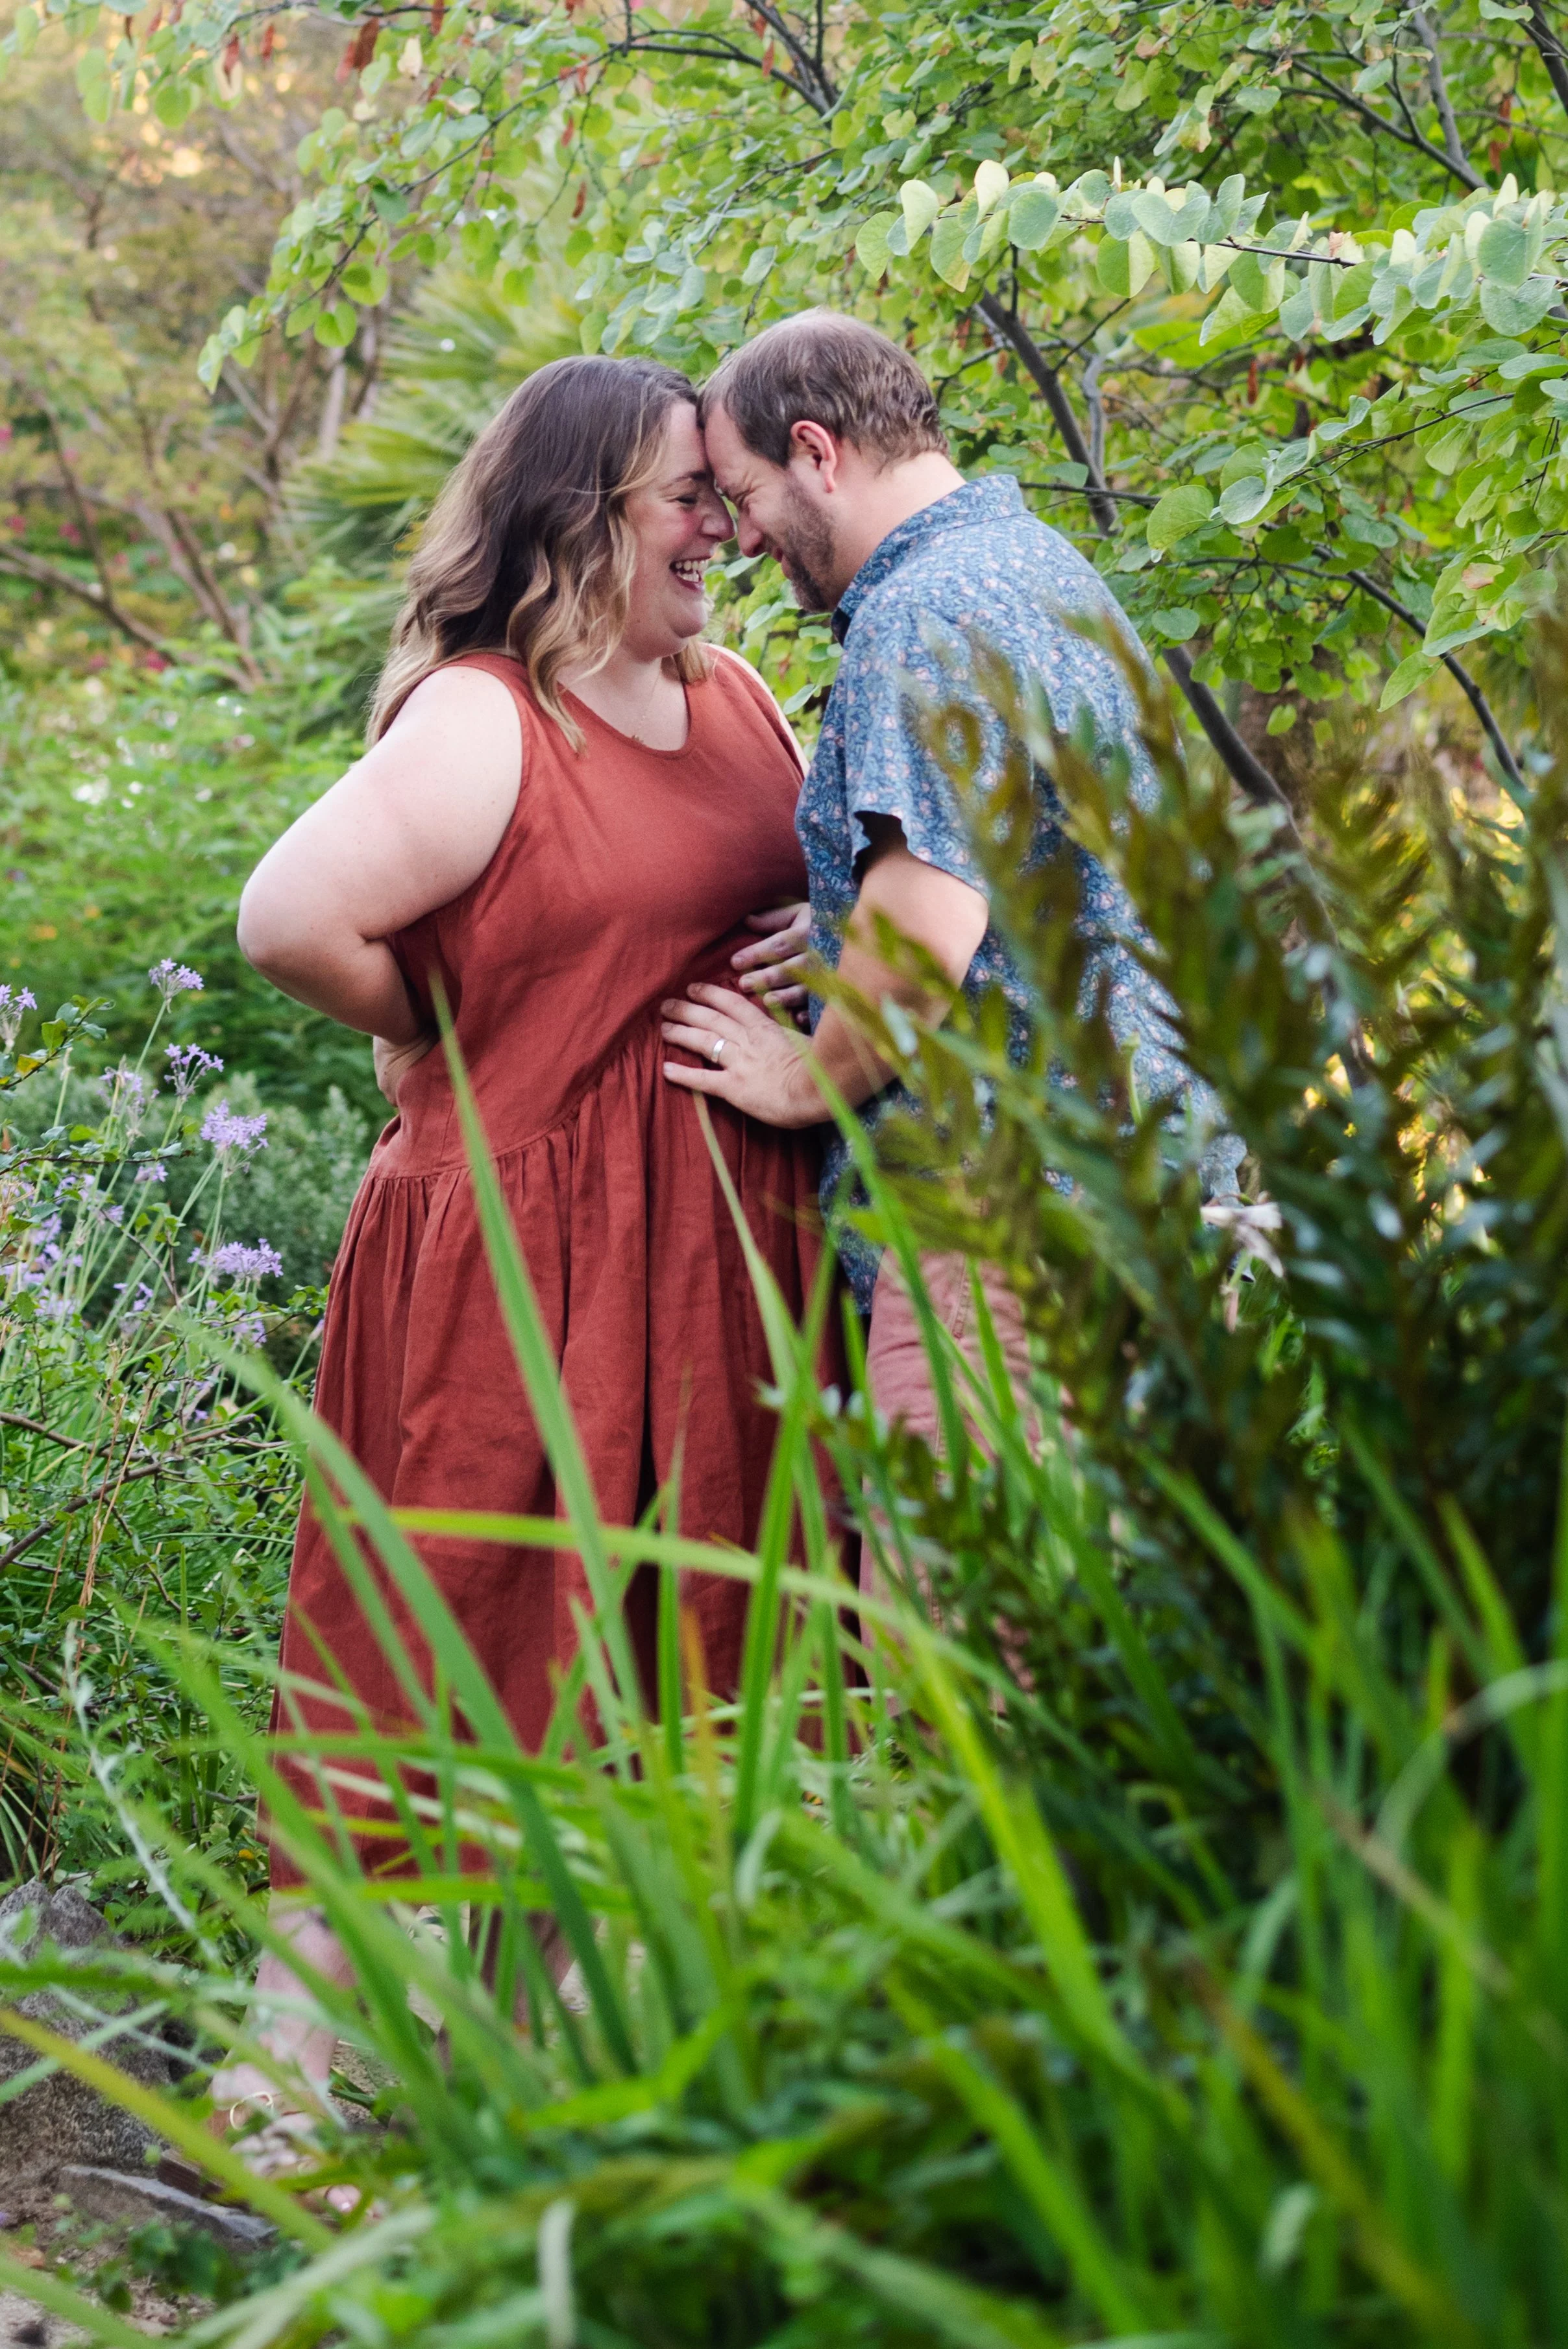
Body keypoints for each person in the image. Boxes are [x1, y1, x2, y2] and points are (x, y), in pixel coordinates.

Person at [217, 354, 826, 2145]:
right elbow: (285, 917)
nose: (722, 526)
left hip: (717, 1251)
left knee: (663, 1655)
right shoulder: (489, 717)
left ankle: (565, 2094)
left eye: (722, 494)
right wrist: (454, 1016)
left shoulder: (735, 698)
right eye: (686, 499)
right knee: (443, 1637)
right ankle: (287, 2108)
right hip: (520, 1233)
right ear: (582, 517)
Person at [663, 309, 1231, 1448]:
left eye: (745, 493)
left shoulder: (921, 613)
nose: (739, 536)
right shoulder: (1032, 565)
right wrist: (837, 927)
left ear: (818, 452)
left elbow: (928, 926)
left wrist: (804, 1078)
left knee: (961, 1626)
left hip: (1007, 1242)